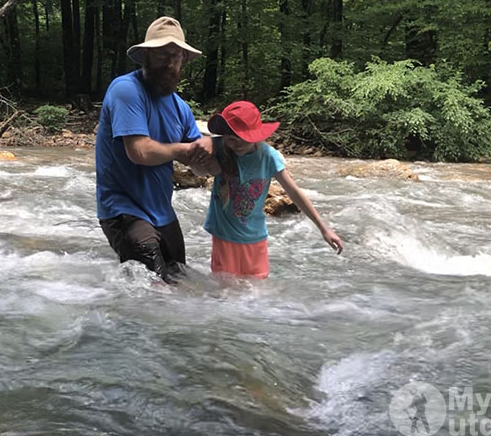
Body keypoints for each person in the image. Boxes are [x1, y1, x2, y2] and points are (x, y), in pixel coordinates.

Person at [96, 17, 214, 283]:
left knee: (179, 282)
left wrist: (215, 149)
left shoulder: (180, 108)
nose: (170, 64)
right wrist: (184, 150)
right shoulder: (126, 90)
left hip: (161, 211)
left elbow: (200, 166)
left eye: (176, 56)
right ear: (146, 56)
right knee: (152, 290)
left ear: (184, 59)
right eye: (162, 55)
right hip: (122, 209)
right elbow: (139, 151)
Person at [202, 101, 344, 278]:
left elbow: (294, 192)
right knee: (225, 292)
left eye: (243, 139)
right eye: (232, 139)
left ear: (256, 136)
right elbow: (197, 165)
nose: (237, 145)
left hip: (255, 238)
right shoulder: (219, 149)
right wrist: (206, 151)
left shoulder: (268, 156)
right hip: (224, 237)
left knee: (256, 292)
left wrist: (324, 228)